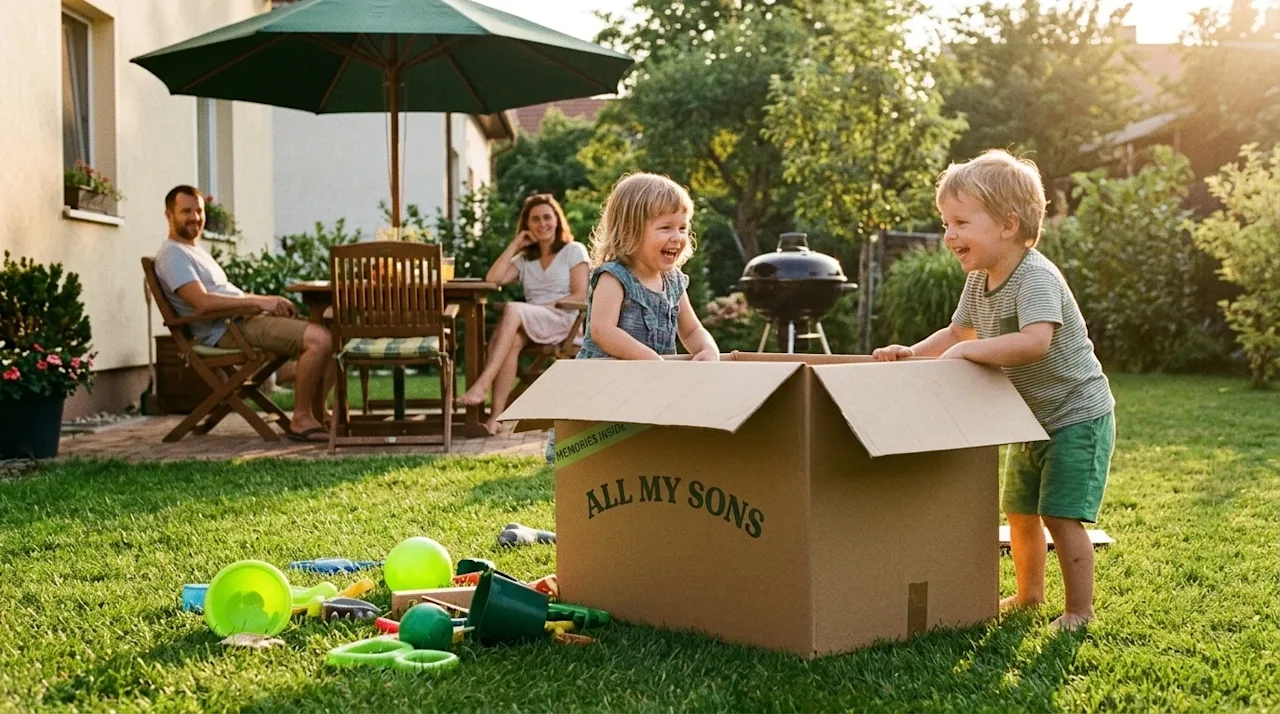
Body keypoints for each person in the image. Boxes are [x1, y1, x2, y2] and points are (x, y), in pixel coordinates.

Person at [872, 150, 1115, 631]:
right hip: (1030, 421)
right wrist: (912, 352)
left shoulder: (1036, 277)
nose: (949, 235)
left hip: (1076, 416)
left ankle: (1079, 612)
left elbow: (1035, 342)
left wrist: (970, 354)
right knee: (1020, 512)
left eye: (960, 221)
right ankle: (1028, 596)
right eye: (945, 223)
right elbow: (957, 333)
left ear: (1007, 224)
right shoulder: (980, 281)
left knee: (1060, 516)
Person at [153, 185, 335, 442]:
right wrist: (259, 305)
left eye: (199, 211)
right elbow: (203, 304)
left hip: (241, 321)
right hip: (226, 330)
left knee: (333, 334)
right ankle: (301, 419)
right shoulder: (173, 255)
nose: (195, 218)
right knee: (319, 339)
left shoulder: (194, 251)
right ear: (168, 214)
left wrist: (267, 300)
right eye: (186, 211)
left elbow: (230, 294)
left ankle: (320, 413)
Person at [456, 194, 590, 435]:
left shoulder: (573, 250)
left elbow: (580, 296)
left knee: (512, 308)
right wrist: (516, 244)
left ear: (557, 221)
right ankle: (496, 418)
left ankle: (482, 384)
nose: (542, 224)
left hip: (564, 321)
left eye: (547, 217)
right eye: (535, 219)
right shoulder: (526, 259)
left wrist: (547, 305)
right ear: (527, 225)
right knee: (512, 341)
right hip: (531, 321)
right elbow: (493, 279)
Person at [577, 173, 719, 362]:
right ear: (630, 231)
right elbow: (602, 330)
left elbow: (692, 330)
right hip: (605, 381)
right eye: (666, 227)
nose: (677, 237)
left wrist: (708, 349)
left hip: (649, 379)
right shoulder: (615, 277)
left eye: (682, 228)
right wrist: (648, 359)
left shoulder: (673, 280)